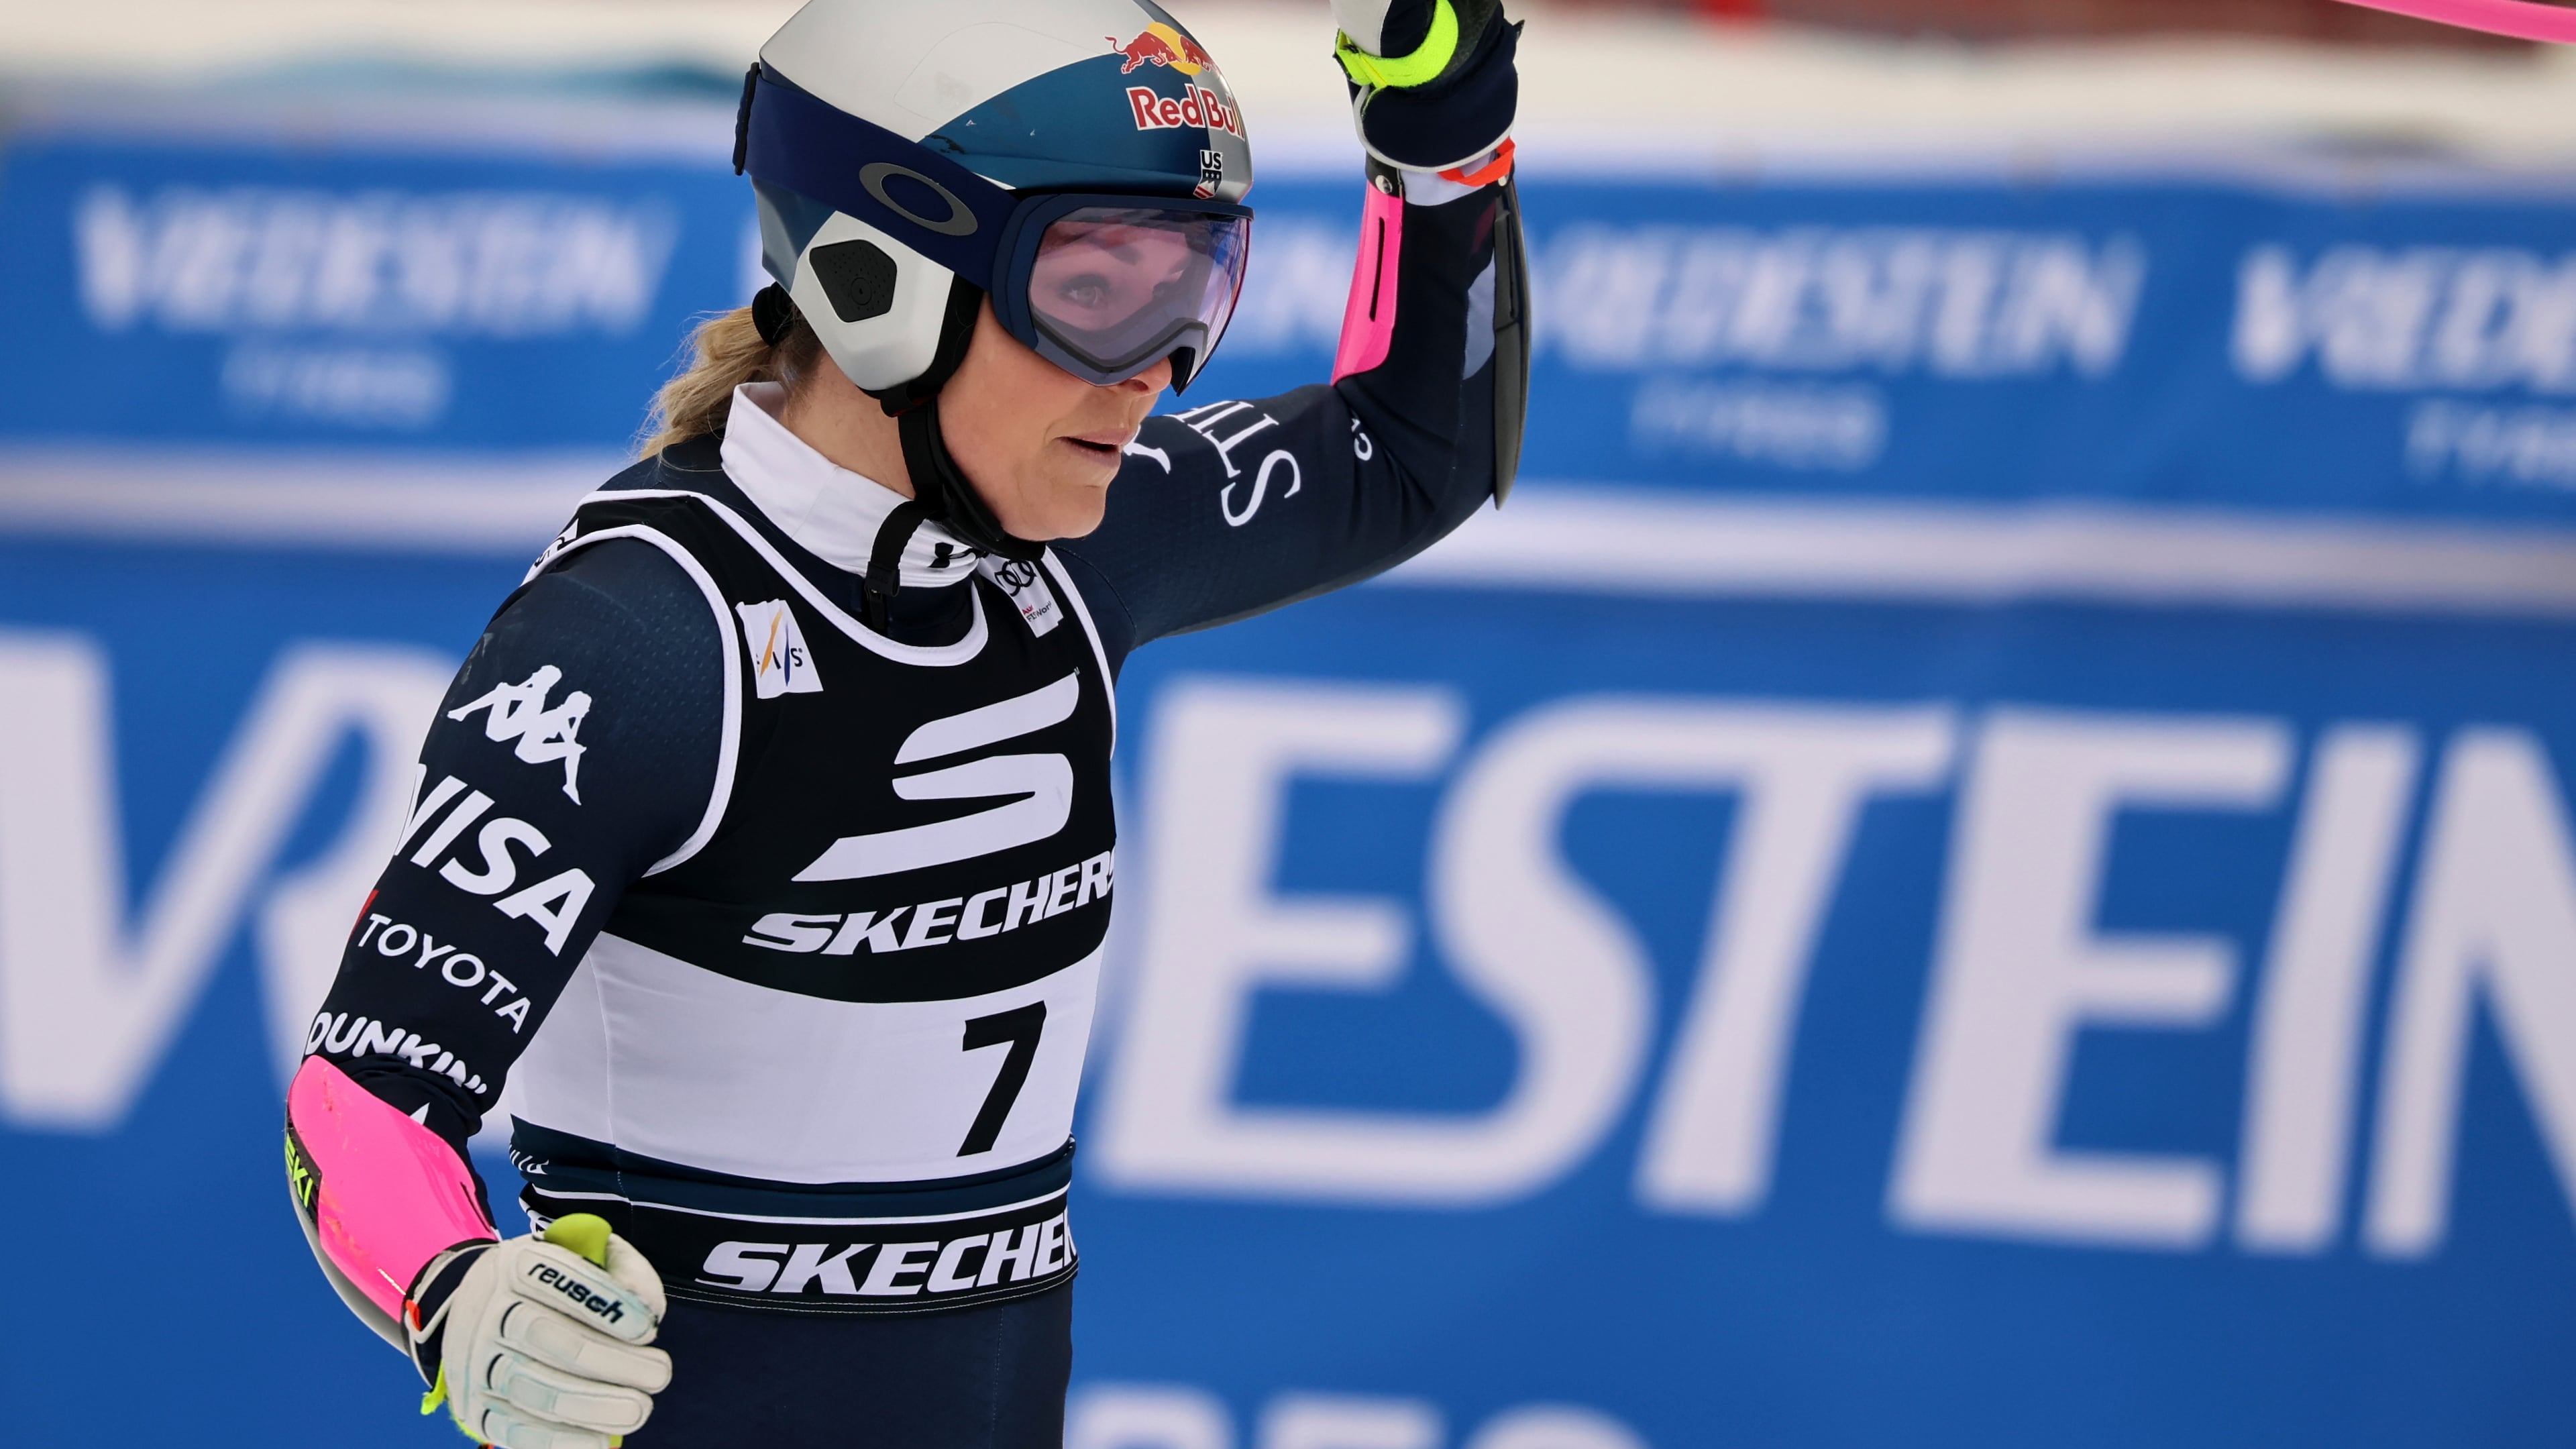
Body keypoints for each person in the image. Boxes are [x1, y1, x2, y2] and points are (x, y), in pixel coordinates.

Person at [281, 0, 1527, 1443]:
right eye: (1093, 287)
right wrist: (454, 1287)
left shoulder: (1077, 544)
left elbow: (1411, 450)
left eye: (1194, 283)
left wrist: (1441, 136)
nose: (1157, 366)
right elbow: (360, 1097)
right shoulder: (645, 639)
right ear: (877, 277)